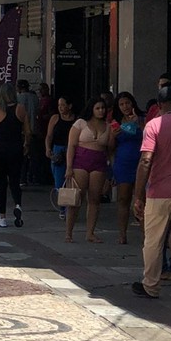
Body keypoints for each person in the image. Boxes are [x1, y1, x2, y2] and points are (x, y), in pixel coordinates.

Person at [131, 85, 171, 301]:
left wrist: (138, 195)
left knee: (153, 240)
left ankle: (151, 286)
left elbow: (145, 160)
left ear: (159, 105)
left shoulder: (154, 125)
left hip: (158, 190)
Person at [64, 97, 114, 243]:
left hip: (99, 163)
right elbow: (71, 146)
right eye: (97, 108)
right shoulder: (80, 123)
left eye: (103, 108)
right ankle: (68, 232)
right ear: (91, 109)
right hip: (80, 162)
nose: (101, 111)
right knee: (75, 199)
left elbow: (110, 150)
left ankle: (90, 232)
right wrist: (68, 167)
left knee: (94, 199)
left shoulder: (108, 126)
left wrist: (112, 170)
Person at [0, 82, 28, 229]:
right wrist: (26, 145)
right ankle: (18, 205)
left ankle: (2, 216)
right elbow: (27, 131)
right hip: (16, 148)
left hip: (0, 149)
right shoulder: (21, 108)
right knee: (15, 181)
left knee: (2, 182)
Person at [112, 91, 145, 245]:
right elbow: (110, 147)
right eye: (121, 104)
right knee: (123, 198)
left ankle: (146, 233)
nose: (125, 106)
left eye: (127, 103)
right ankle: (122, 234)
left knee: (142, 200)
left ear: (132, 103)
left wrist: (139, 124)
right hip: (123, 162)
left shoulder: (142, 119)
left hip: (140, 162)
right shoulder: (116, 122)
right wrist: (113, 135)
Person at [44, 95, 77, 219]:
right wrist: (48, 148)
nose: (61, 108)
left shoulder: (76, 119)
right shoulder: (55, 118)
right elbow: (49, 136)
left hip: (71, 149)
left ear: (69, 106)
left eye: (63, 105)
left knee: (70, 180)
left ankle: (69, 208)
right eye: (59, 105)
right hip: (58, 149)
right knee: (59, 182)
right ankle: (63, 207)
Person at [16, 80, 40, 185]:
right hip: (34, 129)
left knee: (22, 156)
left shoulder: (19, 98)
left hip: (22, 131)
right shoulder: (35, 98)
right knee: (33, 156)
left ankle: (22, 178)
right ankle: (34, 177)